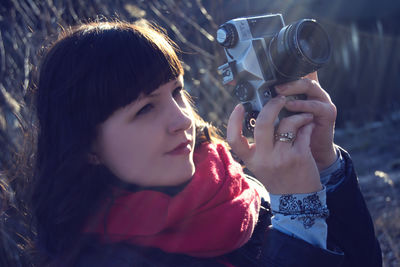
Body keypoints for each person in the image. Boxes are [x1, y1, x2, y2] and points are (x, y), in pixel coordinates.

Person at [30, 19, 382, 266]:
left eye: (177, 93)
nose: (183, 119)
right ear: (87, 145)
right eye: (144, 109)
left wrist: (324, 165)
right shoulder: (96, 257)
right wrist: (297, 212)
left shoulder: (240, 187)